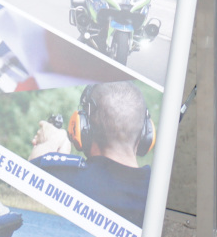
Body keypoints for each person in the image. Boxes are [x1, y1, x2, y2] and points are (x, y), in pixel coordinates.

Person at [29, 82, 152, 226]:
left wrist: (52, 141)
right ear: (146, 133)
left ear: (83, 127)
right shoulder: (156, 192)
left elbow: (31, 170)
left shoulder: (63, 177)